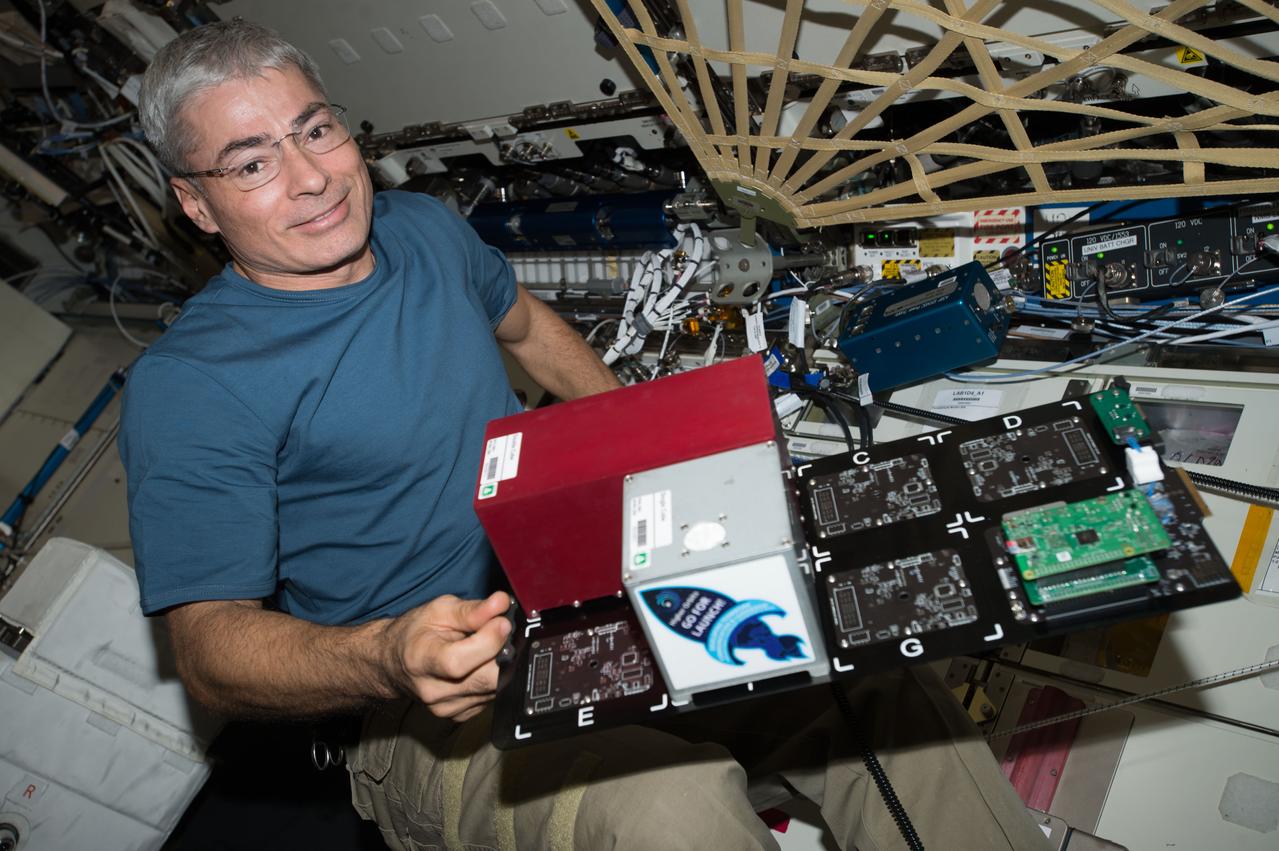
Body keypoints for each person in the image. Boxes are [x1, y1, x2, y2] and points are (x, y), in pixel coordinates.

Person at [120, 20, 1051, 851]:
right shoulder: (193, 385)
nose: (313, 176)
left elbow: (524, 327)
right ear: (196, 205)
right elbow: (209, 648)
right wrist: (388, 652)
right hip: (425, 702)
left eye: (315, 129)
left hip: (574, 583)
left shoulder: (420, 228)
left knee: (875, 672)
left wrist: (647, 449)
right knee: (671, 807)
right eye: (251, 163)